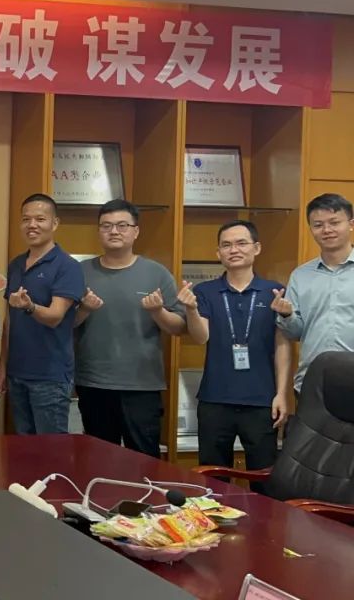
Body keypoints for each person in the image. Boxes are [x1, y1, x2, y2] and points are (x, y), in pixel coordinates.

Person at [73, 200, 186, 457]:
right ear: (98, 231)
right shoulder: (80, 272)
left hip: (142, 385)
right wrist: (84, 309)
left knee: (144, 460)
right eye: (106, 226)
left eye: (122, 225)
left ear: (136, 231)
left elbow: (180, 327)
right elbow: (63, 324)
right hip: (94, 383)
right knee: (98, 459)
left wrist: (158, 312)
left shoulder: (157, 273)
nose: (114, 231)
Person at [180, 220, 292, 480]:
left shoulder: (274, 291)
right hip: (215, 400)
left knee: (264, 477)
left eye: (241, 243)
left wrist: (282, 394)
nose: (234, 250)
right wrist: (191, 309)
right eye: (226, 245)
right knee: (212, 478)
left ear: (257, 248)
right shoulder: (205, 291)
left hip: (262, 401)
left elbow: (283, 345)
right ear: (218, 253)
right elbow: (201, 337)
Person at [0, 194, 84, 435]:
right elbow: (9, 320)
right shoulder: (16, 264)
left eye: (40, 219)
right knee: (24, 446)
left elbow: (56, 316)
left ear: (54, 223)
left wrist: (30, 306)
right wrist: (3, 367)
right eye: (26, 219)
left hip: (50, 376)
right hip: (17, 373)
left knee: (50, 448)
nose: (32, 225)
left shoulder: (68, 266)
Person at [274, 193, 354, 394]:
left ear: (351, 224)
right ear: (311, 229)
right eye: (318, 225)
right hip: (312, 382)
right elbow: (294, 333)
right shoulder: (300, 275)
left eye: (334, 222)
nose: (326, 230)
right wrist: (287, 315)